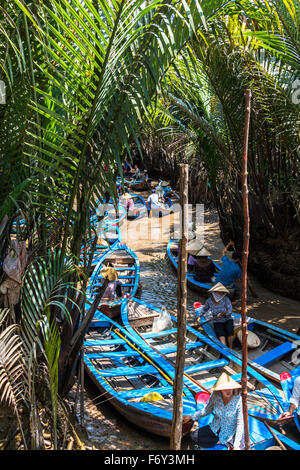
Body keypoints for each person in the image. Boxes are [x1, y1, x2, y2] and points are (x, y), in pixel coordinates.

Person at [183, 373, 244, 450]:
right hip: (215, 427)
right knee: (193, 436)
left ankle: (227, 443)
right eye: (224, 388)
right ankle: (220, 442)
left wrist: (236, 444)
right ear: (220, 389)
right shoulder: (215, 395)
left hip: (230, 433)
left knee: (237, 447)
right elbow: (206, 410)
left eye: (230, 388)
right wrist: (191, 416)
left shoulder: (239, 400)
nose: (228, 391)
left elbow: (240, 423)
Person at [198, 282, 234, 348]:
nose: (220, 294)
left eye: (221, 292)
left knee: (230, 331)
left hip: (227, 318)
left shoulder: (226, 299)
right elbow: (204, 308)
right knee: (220, 334)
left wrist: (223, 314)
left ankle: (230, 348)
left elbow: (230, 310)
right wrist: (199, 316)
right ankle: (225, 348)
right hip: (216, 320)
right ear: (214, 292)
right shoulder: (209, 301)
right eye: (218, 292)